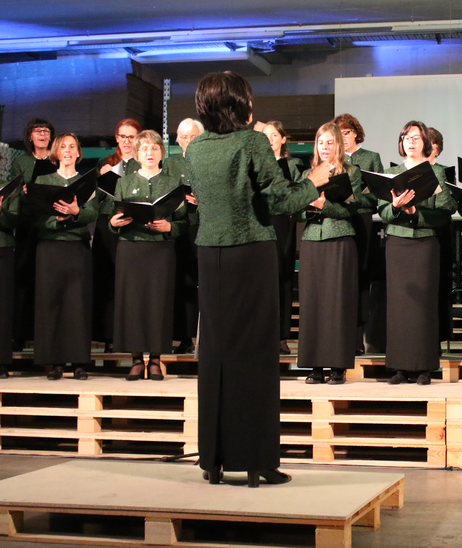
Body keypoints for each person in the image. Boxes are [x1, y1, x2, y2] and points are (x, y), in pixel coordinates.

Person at [185, 71, 329, 487]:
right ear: (239, 104)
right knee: (255, 356)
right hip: (250, 252)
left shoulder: (195, 148)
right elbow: (280, 199)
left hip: (209, 253)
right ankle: (256, 460)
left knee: (215, 355)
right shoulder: (250, 142)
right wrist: (313, 182)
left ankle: (212, 459)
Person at [379, 121, 456, 385]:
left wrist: (416, 213)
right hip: (398, 244)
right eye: (405, 137)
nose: (410, 141)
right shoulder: (390, 173)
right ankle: (400, 367)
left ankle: (424, 367)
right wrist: (397, 207)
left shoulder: (438, 173)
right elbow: (383, 211)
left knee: (423, 305)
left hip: (425, 244)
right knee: (399, 306)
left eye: (415, 137)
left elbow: (445, 211)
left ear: (425, 142)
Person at [109, 130, 188, 381]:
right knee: (132, 303)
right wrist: (114, 223)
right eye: (144, 149)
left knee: (158, 303)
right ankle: (135, 359)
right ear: (137, 154)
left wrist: (170, 227)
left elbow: (184, 221)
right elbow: (114, 218)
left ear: (161, 153)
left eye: (154, 148)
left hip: (160, 250)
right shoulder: (123, 181)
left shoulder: (172, 182)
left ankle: (155, 359)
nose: (149, 153)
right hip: (131, 248)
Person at [26, 133, 98, 380]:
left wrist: (77, 211)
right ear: (56, 152)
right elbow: (34, 217)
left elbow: (93, 213)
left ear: (79, 153)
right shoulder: (44, 179)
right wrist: (55, 219)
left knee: (77, 305)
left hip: (76, 249)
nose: (67, 150)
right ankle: (54, 361)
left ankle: (79, 362)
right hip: (49, 248)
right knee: (51, 303)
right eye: (63, 147)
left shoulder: (86, 181)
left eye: (72, 147)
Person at [296, 122, 363, 385]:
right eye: (320, 142)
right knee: (312, 304)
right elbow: (297, 210)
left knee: (338, 304)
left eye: (329, 142)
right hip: (312, 241)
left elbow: (351, 210)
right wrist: (308, 207)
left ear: (338, 145)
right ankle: (314, 365)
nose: (325, 147)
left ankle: (337, 365)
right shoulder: (307, 174)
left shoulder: (351, 173)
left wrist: (324, 206)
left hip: (340, 240)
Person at [332, 113, 382, 355]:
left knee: (361, 275)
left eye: (347, 132)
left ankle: (359, 336)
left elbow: (379, 192)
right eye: (339, 133)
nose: (343, 136)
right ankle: (339, 334)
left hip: (362, 219)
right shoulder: (333, 158)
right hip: (338, 218)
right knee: (340, 276)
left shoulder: (370, 158)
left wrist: (355, 195)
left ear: (356, 133)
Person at [93, 119, 141, 359]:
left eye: (131, 137)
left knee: (129, 282)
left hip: (132, 225)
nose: (126, 141)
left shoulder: (143, 162)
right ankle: (109, 338)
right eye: (122, 136)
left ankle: (130, 338)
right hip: (106, 223)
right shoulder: (105, 163)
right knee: (107, 280)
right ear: (116, 138)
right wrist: (103, 180)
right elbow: (95, 200)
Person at [10, 118, 55, 352]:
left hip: (50, 224)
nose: (43, 134)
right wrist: (25, 192)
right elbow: (14, 191)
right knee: (24, 277)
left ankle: (45, 335)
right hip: (28, 226)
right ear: (30, 136)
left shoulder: (56, 160)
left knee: (47, 279)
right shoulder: (22, 162)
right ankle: (20, 334)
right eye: (38, 131)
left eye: (46, 131)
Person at [261, 120, 305, 355]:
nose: (269, 139)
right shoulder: (255, 165)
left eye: (274, 135)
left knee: (283, 278)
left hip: (283, 224)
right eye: (265, 135)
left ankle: (281, 336)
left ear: (283, 139)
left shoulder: (292, 165)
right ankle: (262, 334)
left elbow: (298, 193)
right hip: (260, 224)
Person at [162, 118, 203, 355]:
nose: (188, 140)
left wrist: (202, 198)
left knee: (202, 282)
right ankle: (184, 336)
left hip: (202, 225)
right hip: (178, 228)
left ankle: (203, 335)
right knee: (181, 282)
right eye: (184, 136)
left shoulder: (208, 161)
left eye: (193, 136)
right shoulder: (169, 163)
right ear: (177, 139)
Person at [427, 127, 456, 346]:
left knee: (440, 284)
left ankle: (438, 335)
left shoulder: (444, 172)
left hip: (440, 233)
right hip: (418, 233)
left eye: (432, 143)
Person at [0, 182, 20, 379]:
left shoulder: (8, 190)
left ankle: (2, 361)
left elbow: (14, 220)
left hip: (3, 249)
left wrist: (0, 210)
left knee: (3, 308)